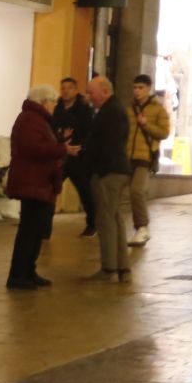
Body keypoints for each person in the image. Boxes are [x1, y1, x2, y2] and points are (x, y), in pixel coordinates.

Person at [5, 85, 68, 290]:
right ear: (43, 101)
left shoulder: (38, 120)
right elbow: (34, 148)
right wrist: (61, 148)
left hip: (39, 182)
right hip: (31, 182)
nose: (55, 105)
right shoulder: (30, 120)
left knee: (36, 230)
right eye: (53, 101)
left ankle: (29, 271)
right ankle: (18, 275)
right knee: (28, 230)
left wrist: (60, 143)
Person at [84, 76, 132, 283]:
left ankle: (109, 269)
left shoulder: (109, 112)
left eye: (91, 92)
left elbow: (106, 145)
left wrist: (89, 159)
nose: (89, 97)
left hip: (108, 173)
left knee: (105, 220)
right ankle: (123, 269)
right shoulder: (116, 109)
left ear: (104, 91)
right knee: (115, 219)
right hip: (118, 170)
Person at [125, 76, 169, 247]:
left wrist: (146, 125)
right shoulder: (129, 108)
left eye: (141, 87)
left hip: (145, 156)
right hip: (127, 155)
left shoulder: (158, 109)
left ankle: (142, 228)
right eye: (135, 87)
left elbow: (164, 133)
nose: (137, 91)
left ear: (149, 88)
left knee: (136, 191)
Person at [51, 76, 97, 235]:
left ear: (75, 89)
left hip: (78, 157)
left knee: (85, 192)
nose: (65, 91)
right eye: (63, 88)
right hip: (61, 156)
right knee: (51, 189)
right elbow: (53, 129)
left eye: (69, 87)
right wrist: (61, 138)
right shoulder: (57, 108)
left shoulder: (84, 108)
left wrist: (81, 147)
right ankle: (44, 226)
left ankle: (92, 224)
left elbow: (89, 131)